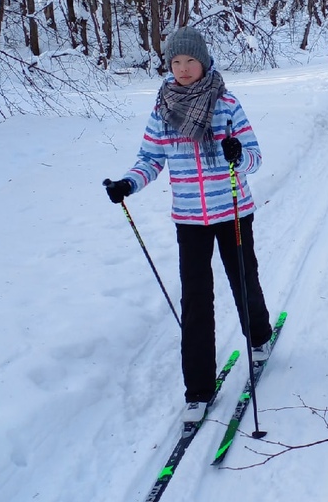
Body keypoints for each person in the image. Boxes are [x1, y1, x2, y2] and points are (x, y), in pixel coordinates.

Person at [103, 25, 273, 426]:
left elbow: (254, 156)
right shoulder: (162, 110)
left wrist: (237, 156)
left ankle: (260, 336)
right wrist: (128, 183)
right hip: (189, 220)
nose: (182, 69)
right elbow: (150, 159)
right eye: (175, 62)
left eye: (189, 61)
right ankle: (198, 388)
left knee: (242, 278)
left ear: (203, 61)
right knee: (196, 300)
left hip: (231, 209)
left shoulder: (227, 104)